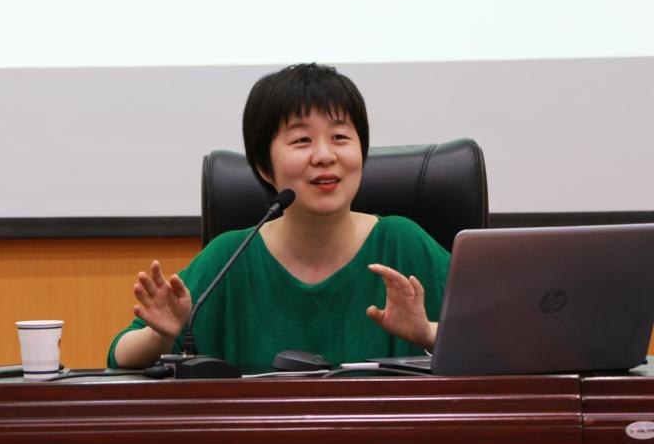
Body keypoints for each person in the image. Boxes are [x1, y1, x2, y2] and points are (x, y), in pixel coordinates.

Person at [108, 63, 450, 370]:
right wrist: (160, 336)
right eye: (302, 140)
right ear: (263, 166)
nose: (324, 155)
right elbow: (120, 355)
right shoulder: (231, 256)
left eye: (340, 137)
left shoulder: (402, 243)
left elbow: (484, 335)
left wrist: (429, 333)